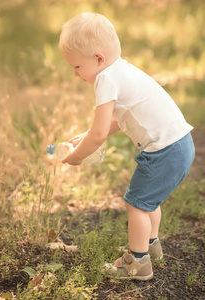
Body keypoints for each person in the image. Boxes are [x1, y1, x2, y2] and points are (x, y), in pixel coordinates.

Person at [59, 12, 195, 280]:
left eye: (77, 67)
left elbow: (98, 136)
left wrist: (76, 156)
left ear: (98, 58)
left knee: (136, 204)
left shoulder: (105, 79)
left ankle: (137, 263)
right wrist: (87, 134)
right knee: (148, 201)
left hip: (165, 152)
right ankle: (150, 246)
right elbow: (116, 121)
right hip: (180, 145)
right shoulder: (122, 70)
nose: (75, 74)